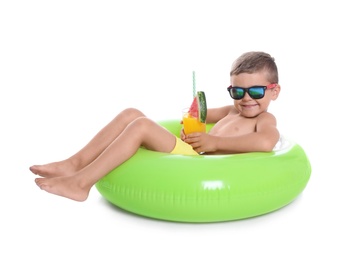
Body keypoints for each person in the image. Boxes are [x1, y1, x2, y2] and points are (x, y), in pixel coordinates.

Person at [30, 51, 281, 202]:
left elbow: (266, 143)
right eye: (237, 91)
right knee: (132, 113)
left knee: (141, 126)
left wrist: (215, 143)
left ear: (274, 92)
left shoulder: (264, 121)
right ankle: (74, 164)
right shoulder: (231, 110)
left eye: (256, 91)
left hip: (200, 164)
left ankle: (81, 184)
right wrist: (190, 127)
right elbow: (194, 116)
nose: (246, 99)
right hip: (194, 152)